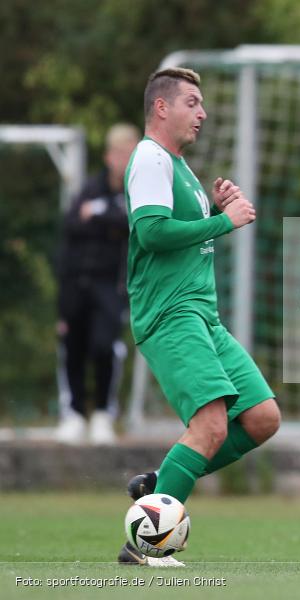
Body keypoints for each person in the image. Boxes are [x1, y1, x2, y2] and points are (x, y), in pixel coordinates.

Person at [116, 68, 281, 567]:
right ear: (161, 107)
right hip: (171, 315)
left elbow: (178, 228)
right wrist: (223, 221)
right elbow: (151, 233)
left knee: (261, 418)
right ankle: (144, 546)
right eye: (191, 102)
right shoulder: (150, 156)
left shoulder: (178, 165)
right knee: (210, 424)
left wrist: (212, 207)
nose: (202, 113)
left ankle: (160, 487)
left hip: (202, 316)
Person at [55, 124, 140, 445]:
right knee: (73, 347)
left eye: (130, 153)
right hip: (76, 284)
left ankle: (104, 412)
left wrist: (100, 215)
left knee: (105, 346)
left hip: (111, 287)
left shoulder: (138, 193)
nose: (124, 160)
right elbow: (72, 225)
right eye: (119, 153)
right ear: (108, 156)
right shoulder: (91, 187)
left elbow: (131, 223)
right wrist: (107, 219)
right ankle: (74, 414)